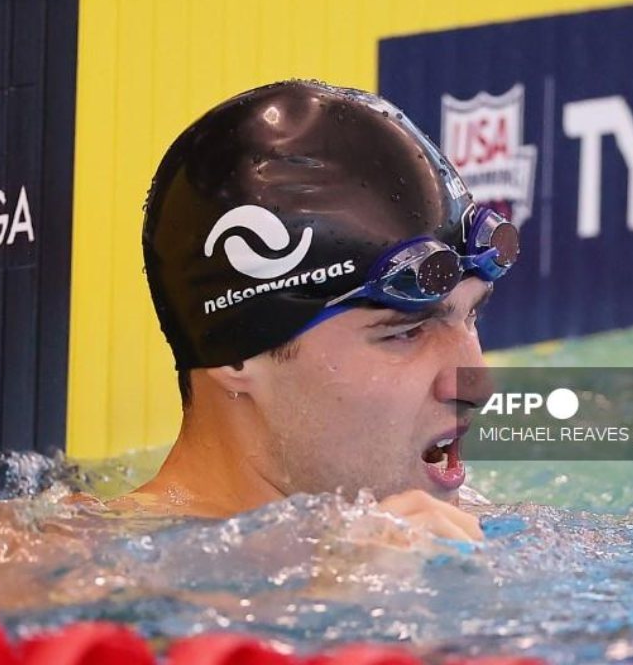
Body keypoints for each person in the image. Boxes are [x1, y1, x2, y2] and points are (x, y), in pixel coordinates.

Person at [117, 79, 520, 543]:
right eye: (405, 332)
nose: (477, 384)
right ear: (237, 353)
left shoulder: (489, 530)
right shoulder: (75, 569)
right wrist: (342, 595)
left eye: (470, 316)